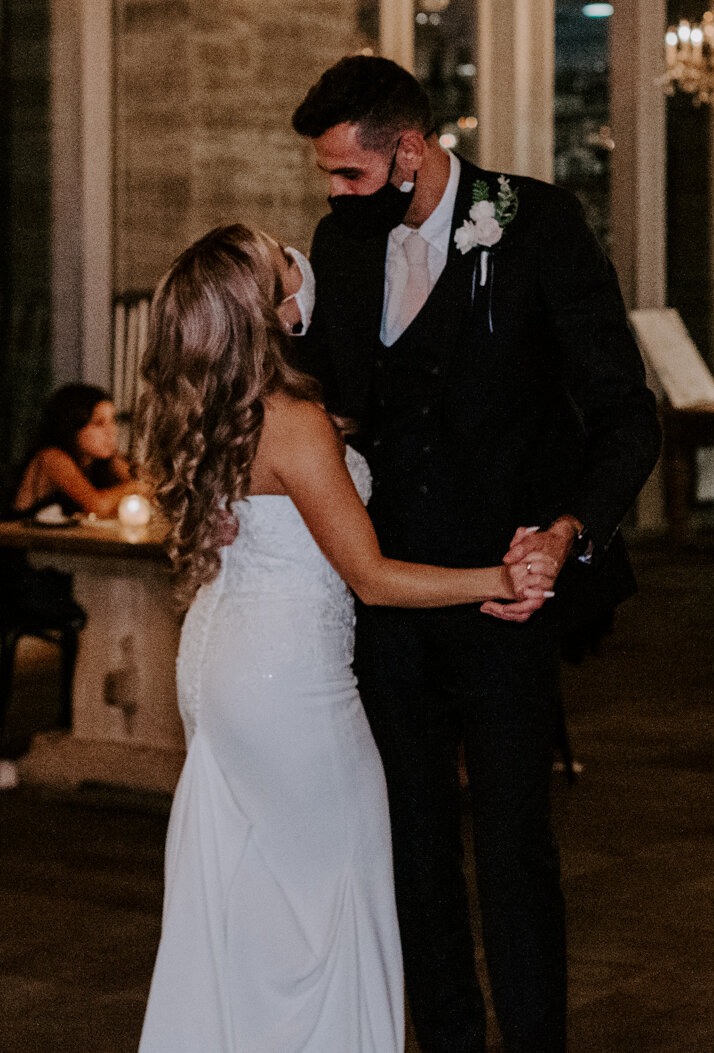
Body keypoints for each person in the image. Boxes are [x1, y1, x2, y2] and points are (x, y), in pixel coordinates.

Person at [288, 55, 661, 1053]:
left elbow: (625, 411)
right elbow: (337, 403)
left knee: (510, 845)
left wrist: (566, 530)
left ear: (407, 151)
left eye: (349, 173)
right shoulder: (342, 243)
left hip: (507, 596)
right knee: (410, 843)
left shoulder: (535, 223)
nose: (332, 194)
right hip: (391, 594)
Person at [133, 224, 554, 1052]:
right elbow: (370, 576)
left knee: (251, 899)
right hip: (290, 683)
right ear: (270, 304)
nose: (298, 255)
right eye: (282, 257)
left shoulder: (216, 408)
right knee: (337, 893)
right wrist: (497, 580)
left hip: (218, 666)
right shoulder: (293, 423)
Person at [12, 384, 148, 518]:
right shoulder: (51, 457)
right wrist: (133, 487)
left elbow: (149, 486)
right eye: (99, 423)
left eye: (113, 421)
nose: (111, 431)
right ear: (73, 428)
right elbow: (96, 506)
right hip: (16, 538)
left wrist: (138, 480)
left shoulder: (106, 461)